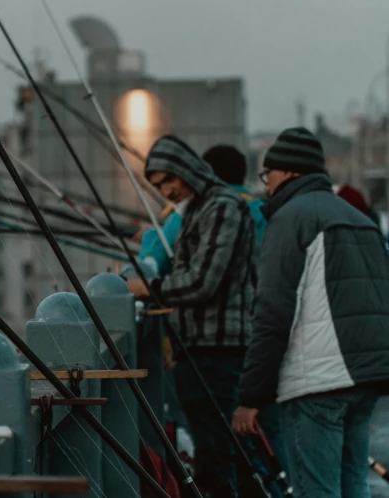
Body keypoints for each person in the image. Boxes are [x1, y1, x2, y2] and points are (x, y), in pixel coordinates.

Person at [232, 127, 389, 498]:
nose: (265, 183)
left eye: (266, 174)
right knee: (354, 485)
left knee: (316, 490)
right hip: (366, 378)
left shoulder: (290, 219)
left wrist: (250, 397)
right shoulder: (361, 220)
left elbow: (271, 313)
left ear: (287, 172)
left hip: (317, 382)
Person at [127, 135, 256, 497]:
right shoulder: (201, 207)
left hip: (219, 348)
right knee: (212, 450)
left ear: (187, 170)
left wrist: (145, 287)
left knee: (219, 453)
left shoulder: (222, 207)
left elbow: (203, 282)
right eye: (158, 186)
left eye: (170, 179)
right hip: (200, 348)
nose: (167, 190)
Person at [135, 144, 265, 277]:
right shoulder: (262, 210)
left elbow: (157, 259)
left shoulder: (194, 210)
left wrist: (149, 236)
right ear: (243, 176)